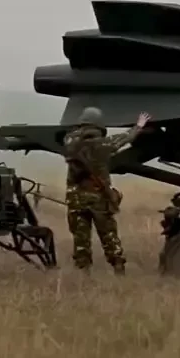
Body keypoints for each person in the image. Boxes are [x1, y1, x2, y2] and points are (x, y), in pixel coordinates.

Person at [62, 107, 151, 274]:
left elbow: (68, 137)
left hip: (76, 199)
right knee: (108, 234)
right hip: (99, 196)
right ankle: (118, 266)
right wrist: (139, 126)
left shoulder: (70, 143)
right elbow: (125, 138)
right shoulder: (104, 144)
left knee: (80, 238)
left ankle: (83, 271)